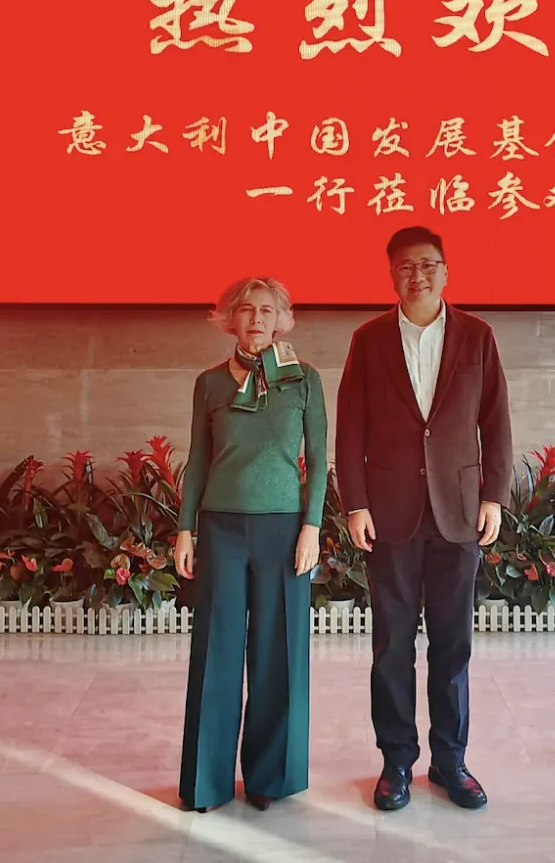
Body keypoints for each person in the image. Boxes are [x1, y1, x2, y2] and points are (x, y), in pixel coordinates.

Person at [335, 226, 512, 812]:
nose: (418, 275)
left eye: (428, 264)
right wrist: (355, 503)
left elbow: (496, 420)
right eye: (407, 266)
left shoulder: (478, 336)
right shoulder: (368, 340)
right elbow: (351, 427)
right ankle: (396, 763)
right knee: (391, 646)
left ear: (445, 271)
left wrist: (494, 496)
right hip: (390, 514)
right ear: (392, 274)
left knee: (452, 644)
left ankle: (450, 761)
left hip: (458, 512)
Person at [174, 277, 327, 813]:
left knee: (277, 656)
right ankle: (206, 784)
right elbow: (197, 459)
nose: (256, 319)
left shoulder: (305, 379)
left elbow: (319, 460)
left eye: (267, 310)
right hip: (220, 529)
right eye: (245, 309)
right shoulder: (209, 383)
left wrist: (312, 527)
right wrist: (185, 528)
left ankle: (270, 779)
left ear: (282, 320)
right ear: (228, 319)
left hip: (284, 532)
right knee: (215, 654)